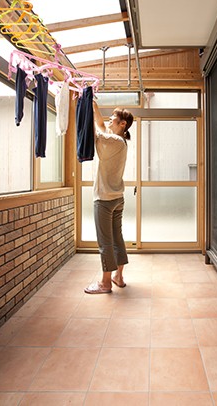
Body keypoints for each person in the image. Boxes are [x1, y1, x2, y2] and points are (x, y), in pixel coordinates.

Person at [84, 101, 134, 294]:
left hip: (104, 200)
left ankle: (105, 283)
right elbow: (102, 127)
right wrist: (94, 107)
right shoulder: (118, 141)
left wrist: (84, 115)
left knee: (105, 242)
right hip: (117, 199)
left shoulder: (114, 141)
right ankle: (118, 277)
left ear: (123, 124)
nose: (110, 120)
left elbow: (97, 134)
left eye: (114, 118)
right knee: (117, 239)